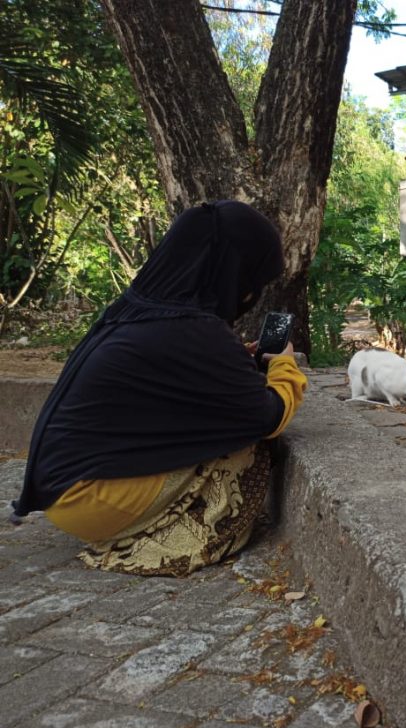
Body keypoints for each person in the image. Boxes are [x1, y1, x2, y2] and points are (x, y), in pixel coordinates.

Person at [11, 201, 307, 575]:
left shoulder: (141, 310)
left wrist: (231, 362)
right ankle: (181, 535)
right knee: (245, 447)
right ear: (234, 272)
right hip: (89, 501)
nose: (251, 294)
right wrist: (284, 363)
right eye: (254, 281)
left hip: (62, 492)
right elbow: (267, 416)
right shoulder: (193, 329)